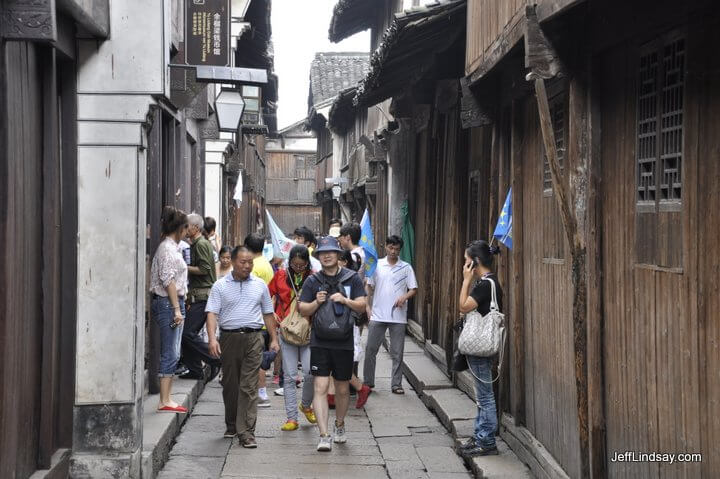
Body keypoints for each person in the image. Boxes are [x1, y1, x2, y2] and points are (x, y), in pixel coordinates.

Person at [206, 245, 279, 448]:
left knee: (249, 386)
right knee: (230, 384)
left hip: (254, 338)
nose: (247, 266)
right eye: (243, 262)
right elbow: (211, 313)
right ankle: (232, 423)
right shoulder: (220, 286)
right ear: (233, 261)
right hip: (229, 338)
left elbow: (267, 313)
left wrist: (273, 338)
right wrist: (212, 339)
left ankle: (246, 432)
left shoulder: (259, 285)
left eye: (250, 262)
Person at [298, 236, 366, 452]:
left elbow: (362, 306)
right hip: (320, 340)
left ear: (338, 255)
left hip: (344, 340)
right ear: (318, 256)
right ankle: (324, 434)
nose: (326, 255)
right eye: (322, 252)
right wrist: (316, 302)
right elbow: (302, 310)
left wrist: (344, 300)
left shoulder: (352, 278)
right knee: (319, 386)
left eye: (331, 252)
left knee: (342, 388)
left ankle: (340, 424)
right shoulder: (312, 281)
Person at [457, 240, 503, 457]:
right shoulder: (489, 282)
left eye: (467, 262)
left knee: (484, 396)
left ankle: (486, 441)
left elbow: (463, 306)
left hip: (480, 345)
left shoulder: (485, 284)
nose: (465, 266)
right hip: (481, 345)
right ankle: (480, 434)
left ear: (475, 262)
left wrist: (466, 281)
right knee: (482, 394)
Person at [268, 244, 317, 431]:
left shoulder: (313, 278)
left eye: (301, 265)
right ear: (290, 262)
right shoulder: (280, 275)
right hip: (286, 330)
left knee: (310, 371)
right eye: (295, 265)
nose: (298, 268)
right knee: (288, 376)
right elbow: (267, 294)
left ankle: (305, 404)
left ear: (307, 263)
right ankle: (291, 418)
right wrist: (272, 313)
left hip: (308, 331)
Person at [363, 236, 418, 394]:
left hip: (398, 317)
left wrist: (404, 297)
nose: (393, 252)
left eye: (396, 249)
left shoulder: (406, 267)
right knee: (370, 350)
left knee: (397, 352)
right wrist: (367, 306)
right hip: (378, 314)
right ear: (385, 247)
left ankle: (396, 384)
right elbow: (369, 287)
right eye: (391, 248)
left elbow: (413, 288)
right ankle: (368, 383)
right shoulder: (377, 265)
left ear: (399, 250)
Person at [150, 206, 189, 413]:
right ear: (180, 228)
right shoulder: (167, 249)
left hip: (172, 302)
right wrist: (176, 308)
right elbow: (168, 280)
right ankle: (164, 399)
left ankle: (167, 398)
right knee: (171, 351)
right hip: (168, 303)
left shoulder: (173, 247)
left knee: (173, 350)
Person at [180, 213, 221, 380]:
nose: (185, 229)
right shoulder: (197, 243)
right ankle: (195, 370)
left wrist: (183, 266)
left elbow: (204, 269)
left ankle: (216, 359)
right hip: (198, 295)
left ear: (195, 228)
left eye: (187, 226)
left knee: (188, 333)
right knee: (187, 334)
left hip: (203, 295)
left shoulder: (201, 244)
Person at [338, 250, 372, 409]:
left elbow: (361, 304)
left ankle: (359, 388)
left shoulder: (352, 279)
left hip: (346, 324)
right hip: (334, 325)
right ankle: (356, 389)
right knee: (335, 363)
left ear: (344, 262)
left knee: (337, 363)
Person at [245, 233, 275, 408]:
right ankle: (259, 391)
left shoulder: (253, 266)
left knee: (257, 361)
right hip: (265, 317)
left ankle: (262, 393)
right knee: (259, 359)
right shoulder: (267, 264)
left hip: (257, 318)